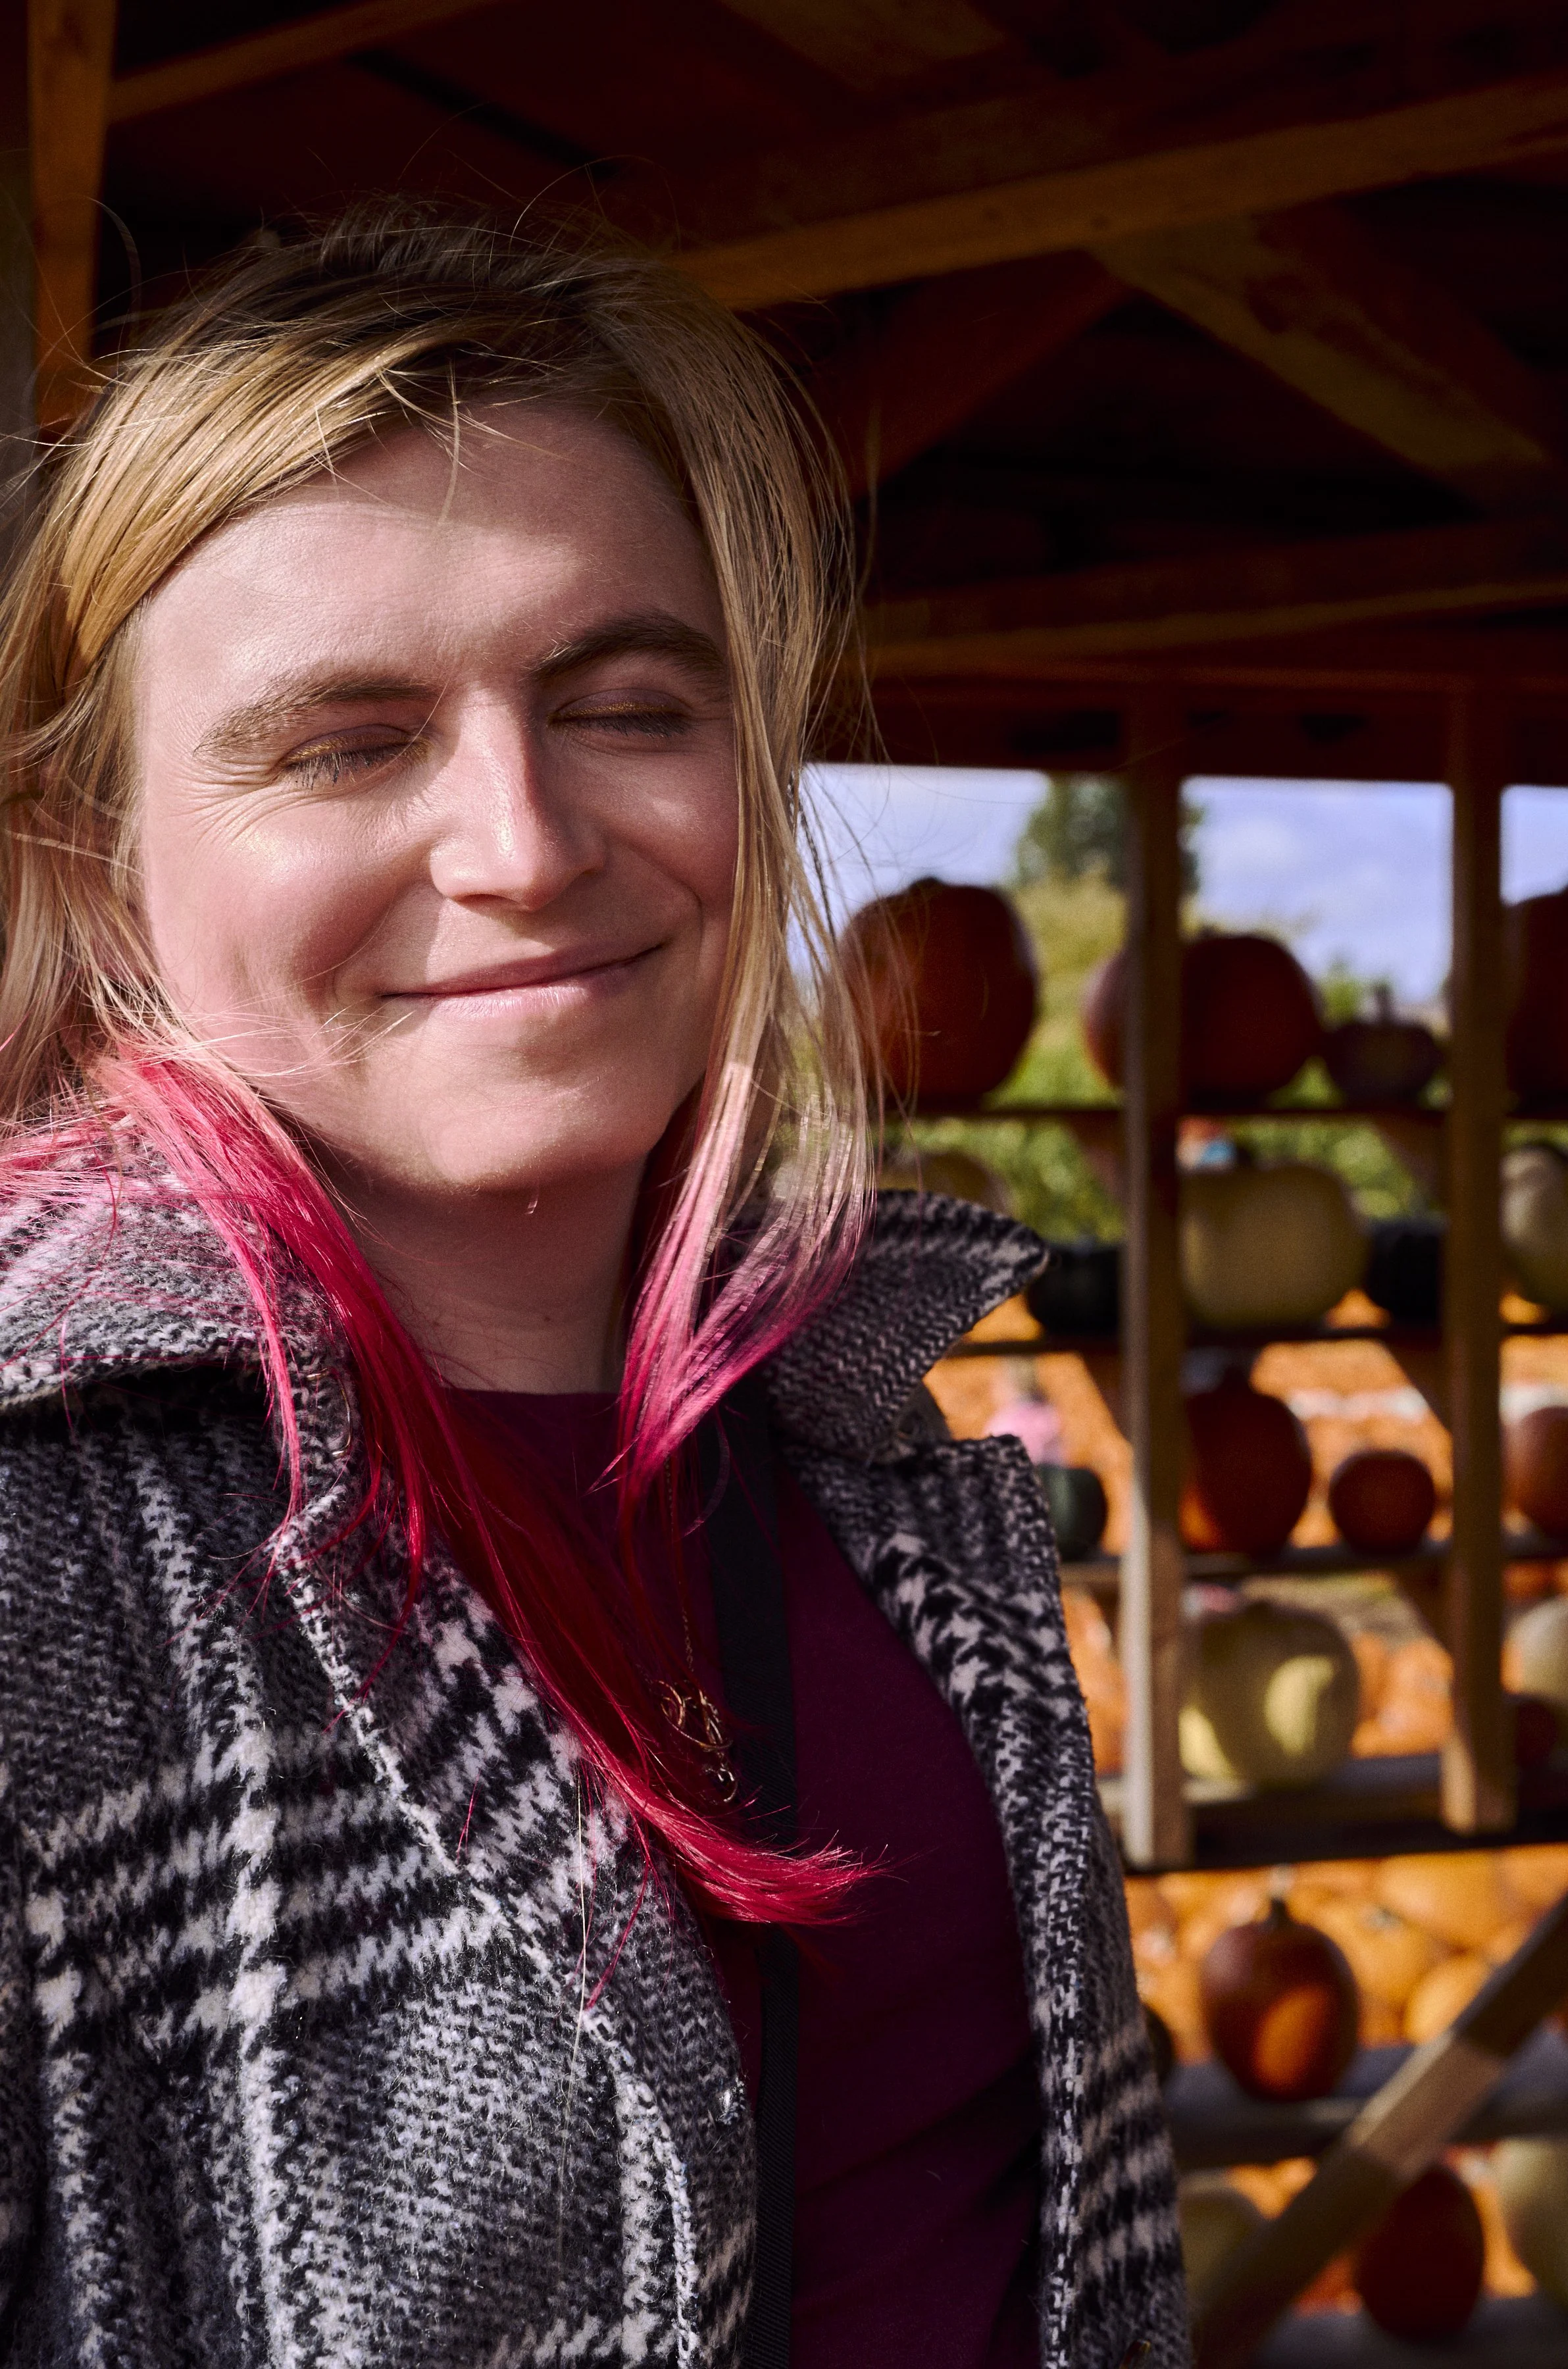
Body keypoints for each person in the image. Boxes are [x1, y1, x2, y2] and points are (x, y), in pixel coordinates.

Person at [0, 205, 1184, 2368]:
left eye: (625, 704)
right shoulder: (43, 1572)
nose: (525, 848)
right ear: (100, 862)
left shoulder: (864, 1448)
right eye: (345, 743)